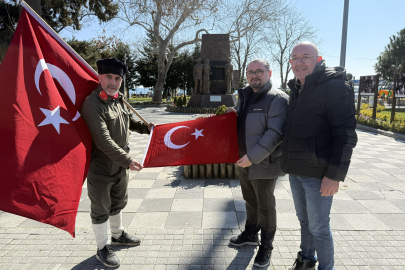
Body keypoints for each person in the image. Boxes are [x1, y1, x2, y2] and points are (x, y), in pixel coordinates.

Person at [280, 42, 357, 270]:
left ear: (318, 59)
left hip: (318, 175)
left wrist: (334, 175)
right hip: (296, 170)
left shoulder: (335, 88)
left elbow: (345, 135)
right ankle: (307, 259)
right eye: (295, 58)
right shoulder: (296, 88)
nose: (299, 62)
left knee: (320, 228)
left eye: (305, 57)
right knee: (305, 222)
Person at [81, 57, 155, 268]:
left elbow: (128, 121)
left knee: (118, 201)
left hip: (120, 165)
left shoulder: (119, 100)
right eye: (108, 77)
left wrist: (146, 128)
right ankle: (102, 247)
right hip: (101, 166)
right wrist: (128, 160)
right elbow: (103, 140)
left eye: (117, 78)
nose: (113, 82)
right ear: (99, 77)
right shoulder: (92, 104)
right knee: (101, 207)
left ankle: (118, 234)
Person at [226, 58, 288, 268]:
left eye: (259, 71)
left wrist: (253, 157)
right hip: (244, 161)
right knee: (250, 201)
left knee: (265, 207)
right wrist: (230, 117)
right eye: (250, 72)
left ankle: (266, 246)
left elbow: (276, 132)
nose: (254, 75)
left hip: (263, 162)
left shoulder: (277, 99)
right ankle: (251, 234)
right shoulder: (244, 96)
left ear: (269, 73)